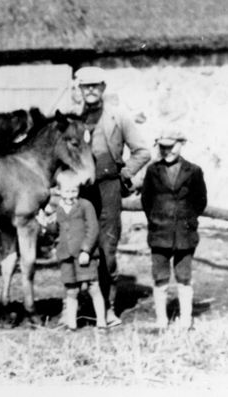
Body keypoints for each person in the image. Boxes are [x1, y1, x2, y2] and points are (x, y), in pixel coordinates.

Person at [73, 66, 151, 326]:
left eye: (96, 85)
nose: (91, 90)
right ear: (80, 89)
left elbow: (142, 151)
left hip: (108, 188)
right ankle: (77, 305)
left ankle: (107, 308)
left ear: (103, 88)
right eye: (86, 86)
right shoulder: (73, 119)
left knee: (107, 247)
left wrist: (124, 175)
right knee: (77, 243)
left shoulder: (119, 117)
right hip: (80, 191)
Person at [141, 128, 207, 330]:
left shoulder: (193, 171)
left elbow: (200, 201)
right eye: (163, 147)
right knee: (160, 276)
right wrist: (157, 219)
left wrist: (186, 220)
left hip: (184, 234)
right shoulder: (153, 171)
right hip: (159, 233)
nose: (167, 151)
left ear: (182, 144)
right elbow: (146, 200)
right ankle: (161, 319)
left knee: (184, 275)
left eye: (171, 147)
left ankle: (185, 320)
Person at [38, 170, 106, 330]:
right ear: (59, 191)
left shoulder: (85, 205)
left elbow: (93, 229)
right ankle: (72, 324)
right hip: (66, 255)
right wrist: (45, 224)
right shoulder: (58, 209)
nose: (70, 195)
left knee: (93, 286)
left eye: (74, 191)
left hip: (83, 256)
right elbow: (55, 231)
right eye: (67, 191)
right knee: (71, 290)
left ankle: (101, 322)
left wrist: (86, 250)